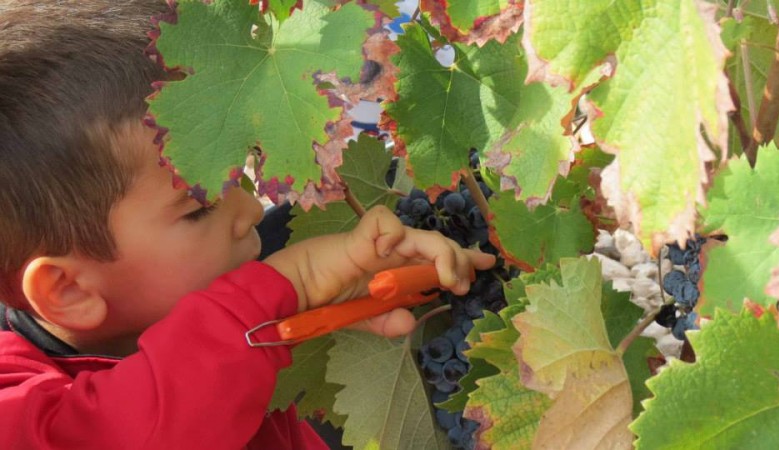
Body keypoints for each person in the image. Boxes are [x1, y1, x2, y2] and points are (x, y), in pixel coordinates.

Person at [0, 1, 495, 448]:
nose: (251, 209)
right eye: (198, 207)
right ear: (67, 291)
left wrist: (301, 313)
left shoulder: (171, 308)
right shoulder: (17, 413)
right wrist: (289, 286)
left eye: (240, 169)